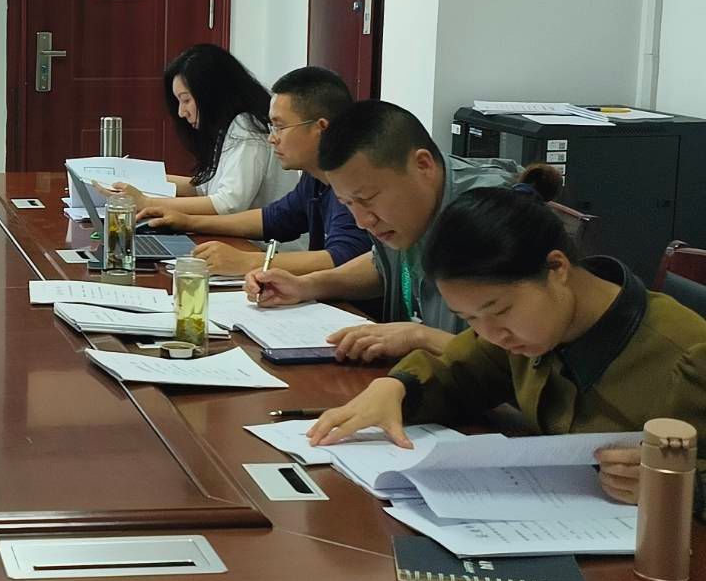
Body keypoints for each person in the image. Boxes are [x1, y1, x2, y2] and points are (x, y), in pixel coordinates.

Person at [305, 186, 706, 511]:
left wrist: (684, 487)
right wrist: (396, 388)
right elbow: (461, 372)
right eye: (469, 318)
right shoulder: (526, 330)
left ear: (557, 268)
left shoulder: (687, 355)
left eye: (498, 311)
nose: (491, 333)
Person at [246, 100, 539, 363]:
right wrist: (307, 285)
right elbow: (380, 265)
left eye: (368, 199)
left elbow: (522, 364)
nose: (362, 221)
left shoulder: (490, 215)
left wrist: (420, 338)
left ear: (422, 165)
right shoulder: (400, 215)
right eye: (348, 204)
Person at [136, 66, 370, 276]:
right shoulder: (315, 177)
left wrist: (247, 261)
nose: (272, 138)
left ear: (320, 128)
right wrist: (189, 222)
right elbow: (273, 218)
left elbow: (343, 258)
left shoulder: (352, 182)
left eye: (280, 127)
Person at [107, 44, 297, 218]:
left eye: (186, 100)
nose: (181, 112)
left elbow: (229, 204)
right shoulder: (227, 127)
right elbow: (203, 188)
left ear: (211, 94)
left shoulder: (246, 126)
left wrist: (147, 202)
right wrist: (136, 178)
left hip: (264, 243)